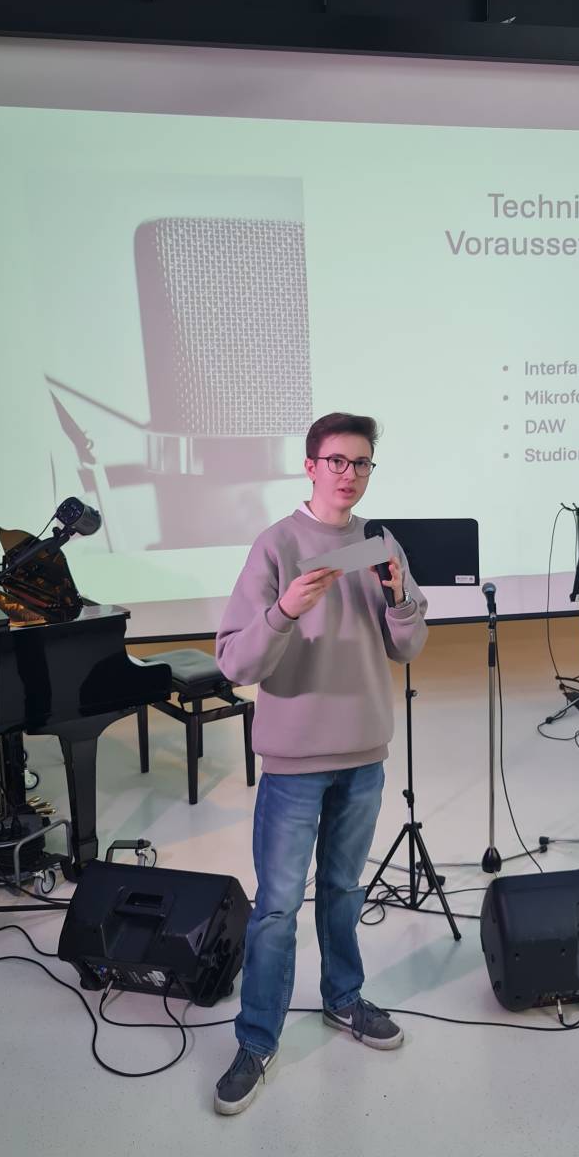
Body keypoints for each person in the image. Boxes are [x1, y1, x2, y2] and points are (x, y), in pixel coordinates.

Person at [212, 411, 427, 1115]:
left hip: (364, 755)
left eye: (361, 463)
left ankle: (343, 998)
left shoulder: (380, 544)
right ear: (310, 466)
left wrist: (399, 599)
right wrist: (282, 610)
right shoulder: (277, 545)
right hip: (294, 761)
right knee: (277, 908)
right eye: (337, 461)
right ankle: (256, 1040)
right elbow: (234, 662)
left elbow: (408, 646)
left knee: (342, 891)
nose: (349, 474)